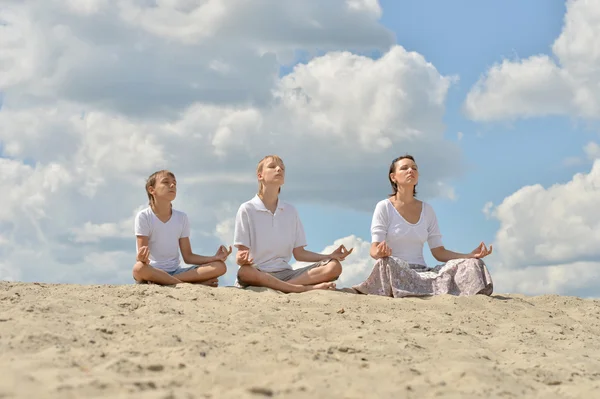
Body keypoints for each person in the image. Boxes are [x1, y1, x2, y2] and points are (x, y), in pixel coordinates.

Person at [353, 155, 494, 297]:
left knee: (473, 264)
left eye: (414, 168)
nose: (410, 171)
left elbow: (439, 252)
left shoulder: (427, 210)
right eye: (404, 168)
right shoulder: (384, 207)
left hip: (424, 274)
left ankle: (423, 290)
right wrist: (380, 253)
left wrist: (469, 256)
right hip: (397, 270)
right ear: (393, 177)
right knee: (385, 263)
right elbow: (374, 250)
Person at [233, 155, 353, 293]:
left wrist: (329, 256)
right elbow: (241, 254)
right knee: (245, 272)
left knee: (334, 267)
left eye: (282, 168)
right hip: (259, 273)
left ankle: (288, 287)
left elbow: (300, 253)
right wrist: (242, 260)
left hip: (286, 274)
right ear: (260, 176)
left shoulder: (290, 211)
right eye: (272, 167)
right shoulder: (247, 209)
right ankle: (303, 288)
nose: (279, 169)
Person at [132, 170, 230, 286]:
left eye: (174, 183)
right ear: (151, 190)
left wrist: (214, 258)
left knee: (219, 266)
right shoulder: (144, 216)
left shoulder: (181, 217)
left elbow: (188, 257)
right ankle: (186, 284)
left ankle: (166, 282)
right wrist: (141, 258)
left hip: (176, 272)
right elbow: (143, 258)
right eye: (166, 182)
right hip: (153, 271)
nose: (172, 185)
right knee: (139, 268)